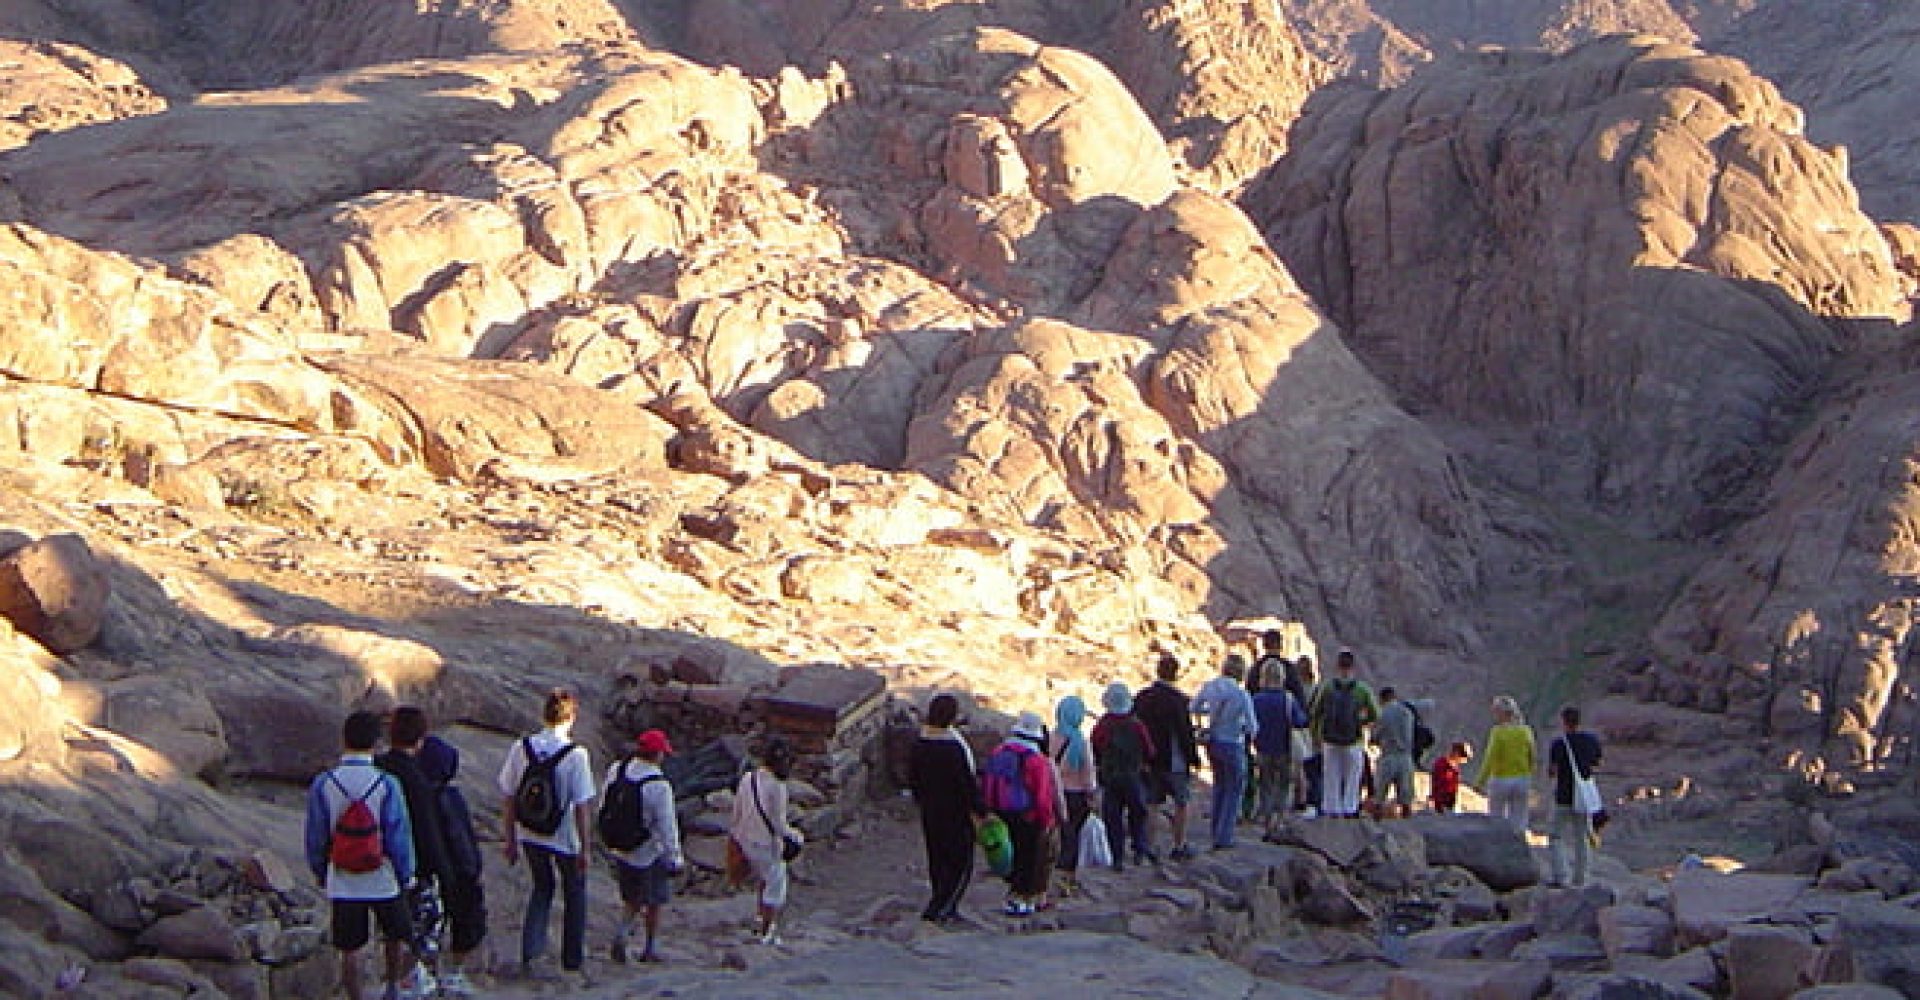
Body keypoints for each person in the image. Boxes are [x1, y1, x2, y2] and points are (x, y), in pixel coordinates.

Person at [305, 710, 415, 1000]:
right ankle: (392, 988)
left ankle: (356, 996)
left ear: (344, 740)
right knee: (395, 935)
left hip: (343, 875)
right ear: (376, 742)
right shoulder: (386, 783)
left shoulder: (325, 782)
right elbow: (398, 834)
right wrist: (405, 872)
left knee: (350, 947)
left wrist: (320, 869)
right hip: (383, 874)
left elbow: (316, 834)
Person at [496, 688, 597, 983]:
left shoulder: (522, 747)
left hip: (530, 831)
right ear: (572, 717)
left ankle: (531, 954)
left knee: (542, 888)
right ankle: (572, 961)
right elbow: (582, 806)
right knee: (574, 893)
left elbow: (508, 795)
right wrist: (586, 847)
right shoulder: (576, 755)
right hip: (564, 836)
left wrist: (510, 838)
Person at [412, 733, 485, 999]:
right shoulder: (449, 798)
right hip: (456, 871)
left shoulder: (416, 796)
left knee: (426, 926)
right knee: (463, 923)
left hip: (424, 871)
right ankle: (452, 974)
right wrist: (471, 868)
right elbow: (460, 837)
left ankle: (424, 975)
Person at [603, 728, 682, 963]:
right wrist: (675, 858)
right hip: (649, 850)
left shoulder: (617, 770)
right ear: (657, 754)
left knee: (631, 897)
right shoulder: (659, 785)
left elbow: (605, 804)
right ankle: (649, 947)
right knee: (655, 901)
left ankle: (623, 932)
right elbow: (667, 825)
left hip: (621, 846)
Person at [908, 694, 985, 923]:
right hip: (955, 812)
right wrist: (981, 809)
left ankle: (939, 899)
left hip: (930, 810)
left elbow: (913, 779)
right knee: (959, 860)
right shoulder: (953, 748)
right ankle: (943, 907)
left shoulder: (920, 744)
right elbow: (965, 784)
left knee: (937, 857)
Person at [981, 713, 1060, 916]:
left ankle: (1012, 896)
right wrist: (1047, 819)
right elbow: (1042, 795)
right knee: (1028, 857)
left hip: (1001, 811)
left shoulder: (999, 751)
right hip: (1027, 815)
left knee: (1013, 856)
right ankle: (1023, 899)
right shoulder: (1036, 760)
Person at [730, 737, 803, 943]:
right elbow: (778, 824)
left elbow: (737, 812)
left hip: (746, 840)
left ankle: (759, 919)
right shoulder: (777, 787)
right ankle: (766, 930)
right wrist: (796, 836)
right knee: (774, 885)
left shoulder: (748, 779)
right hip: (767, 844)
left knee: (763, 880)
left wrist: (736, 837)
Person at [1135, 653, 1200, 859]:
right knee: (1181, 802)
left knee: (1152, 803)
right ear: (1176, 674)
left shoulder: (1142, 697)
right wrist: (1193, 757)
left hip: (1149, 759)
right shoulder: (1178, 700)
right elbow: (1184, 732)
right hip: (1174, 760)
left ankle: (1149, 846)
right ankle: (1179, 845)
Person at [1194, 654, 1259, 849]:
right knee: (1234, 789)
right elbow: (1253, 726)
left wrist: (1207, 717)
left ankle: (1215, 830)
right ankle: (1225, 836)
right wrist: (1240, 729)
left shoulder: (1210, 686)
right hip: (1232, 742)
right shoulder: (1241, 695)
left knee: (1219, 786)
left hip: (1213, 741)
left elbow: (1194, 706)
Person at [1090, 682, 1155, 869]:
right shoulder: (1137, 725)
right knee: (1137, 814)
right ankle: (1139, 850)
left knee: (1113, 818)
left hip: (1110, 777)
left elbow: (1095, 748)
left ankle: (1116, 856)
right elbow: (1150, 751)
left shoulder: (1102, 726)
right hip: (1133, 776)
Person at [1310, 650, 1379, 818]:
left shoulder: (1327, 687)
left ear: (1337, 666)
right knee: (1353, 776)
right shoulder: (1362, 689)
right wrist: (1362, 722)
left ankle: (1331, 808)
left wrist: (1316, 735)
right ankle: (1350, 808)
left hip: (1330, 740)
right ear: (1353, 667)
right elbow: (1376, 714)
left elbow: (1316, 711)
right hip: (1353, 739)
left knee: (1331, 775)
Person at [1545, 706, 1603, 887]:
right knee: (1582, 838)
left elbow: (1552, 771)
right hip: (1583, 798)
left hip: (1563, 796)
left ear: (1564, 722)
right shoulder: (1591, 741)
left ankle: (1561, 876)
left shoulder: (1559, 744)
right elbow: (1597, 763)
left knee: (1556, 836)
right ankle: (1581, 878)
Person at [1049, 695, 1096, 895]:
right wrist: (1091, 793)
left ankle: (1051, 871)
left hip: (1054, 791)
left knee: (1057, 832)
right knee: (1072, 835)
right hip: (1076, 794)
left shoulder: (1050, 737)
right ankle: (1067, 875)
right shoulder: (1081, 742)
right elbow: (1088, 771)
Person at [1250, 668, 1307, 827]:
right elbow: (1300, 721)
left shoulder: (1256, 699)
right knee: (1283, 784)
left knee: (1265, 783)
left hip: (1262, 748)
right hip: (1284, 748)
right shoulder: (1288, 699)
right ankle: (1280, 816)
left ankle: (1265, 815)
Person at [1475, 695, 1536, 833]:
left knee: (1496, 817)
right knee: (1519, 819)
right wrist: (1529, 774)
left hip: (1501, 779)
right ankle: (1518, 843)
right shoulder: (1526, 731)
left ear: (1502, 713)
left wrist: (1480, 782)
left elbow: (1490, 758)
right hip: (1522, 779)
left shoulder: (1498, 732)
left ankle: (1499, 843)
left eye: (1496, 712)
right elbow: (1532, 755)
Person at [1371, 688, 1418, 819]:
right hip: (1406, 757)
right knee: (1406, 798)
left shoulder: (1383, 714)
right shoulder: (1407, 712)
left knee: (1380, 795)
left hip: (1388, 756)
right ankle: (1407, 824)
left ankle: (1377, 822)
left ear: (1382, 699)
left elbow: (1375, 736)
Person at [1294, 655, 1322, 815]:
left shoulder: (1296, 692)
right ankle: (1314, 799)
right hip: (1315, 732)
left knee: (1300, 768)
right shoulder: (1318, 690)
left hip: (1301, 731)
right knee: (1314, 770)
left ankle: (1300, 799)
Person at [1431, 741, 1472, 813]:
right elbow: (1438, 783)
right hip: (1440, 801)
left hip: (1450, 800)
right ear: (1457, 754)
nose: (1464, 761)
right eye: (1464, 758)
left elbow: (1454, 785)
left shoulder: (1455, 767)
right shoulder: (1442, 764)